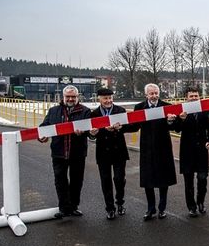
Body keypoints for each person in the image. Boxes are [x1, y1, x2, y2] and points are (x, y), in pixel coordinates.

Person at [38, 85, 91, 218]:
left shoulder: (85, 111)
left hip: (77, 153)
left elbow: (90, 133)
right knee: (60, 180)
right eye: (68, 96)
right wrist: (42, 136)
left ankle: (74, 206)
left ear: (78, 97)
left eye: (73, 96)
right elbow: (44, 127)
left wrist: (84, 133)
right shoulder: (53, 111)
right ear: (63, 97)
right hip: (58, 152)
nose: (71, 99)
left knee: (76, 180)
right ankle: (64, 208)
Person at [130, 83, 177, 220]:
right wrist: (120, 127)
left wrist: (170, 122)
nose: (154, 96)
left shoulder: (167, 106)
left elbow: (175, 126)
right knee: (148, 180)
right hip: (147, 148)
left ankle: (162, 209)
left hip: (163, 148)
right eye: (151, 93)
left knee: (164, 180)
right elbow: (135, 126)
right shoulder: (139, 107)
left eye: (156, 93)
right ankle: (151, 209)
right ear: (146, 95)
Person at [89, 88, 132, 220]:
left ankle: (120, 202)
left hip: (119, 151)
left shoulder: (120, 111)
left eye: (110, 98)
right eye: (105, 98)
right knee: (105, 181)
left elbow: (129, 127)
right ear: (99, 99)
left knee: (119, 179)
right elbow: (90, 133)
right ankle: (110, 208)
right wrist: (94, 133)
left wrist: (121, 128)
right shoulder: (94, 114)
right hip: (103, 153)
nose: (108, 101)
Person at [174, 87, 209, 217]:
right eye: (191, 96)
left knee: (202, 178)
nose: (194, 98)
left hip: (202, 151)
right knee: (188, 181)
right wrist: (180, 119)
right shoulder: (181, 110)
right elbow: (176, 129)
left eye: (196, 96)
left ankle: (201, 202)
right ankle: (191, 206)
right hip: (187, 152)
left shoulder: (204, 110)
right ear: (186, 97)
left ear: (199, 96)